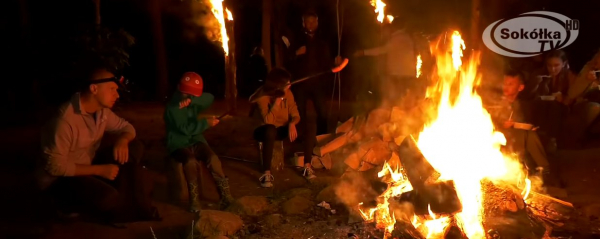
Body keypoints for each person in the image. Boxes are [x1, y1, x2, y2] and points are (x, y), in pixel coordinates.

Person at [38, 67, 160, 225]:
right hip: (61, 178)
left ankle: (124, 190)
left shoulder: (102, 112)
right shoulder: (64, 120)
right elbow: (55, 167)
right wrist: (100, 170)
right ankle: (65, 205)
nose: (117, 95)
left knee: (134, 146)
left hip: (87, 164)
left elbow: (128, 128)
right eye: (112, 89)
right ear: (94, 88)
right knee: (108, 198)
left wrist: (122, 140)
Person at [164, 72, 234, 212]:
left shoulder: (191, 101)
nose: (189, 96)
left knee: (213, 159)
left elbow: (209, 98)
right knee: (190, 162)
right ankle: (194, 200)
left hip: (196, 140)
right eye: (187, 93)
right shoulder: (172, 108)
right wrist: (206, 123)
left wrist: (192, 101)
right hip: (178, 143)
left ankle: (226, 197)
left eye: (192, 93)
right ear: (179, 89)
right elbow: (184, 129)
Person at [250, 68, 317, 187]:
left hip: (281, 128)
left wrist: (292, 123)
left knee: (309, 126)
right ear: (278, 85)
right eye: (287, 83)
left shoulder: (288, 94)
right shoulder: (263, 97)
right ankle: (266, 173)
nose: (290, 85)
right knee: (270, 130)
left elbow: (296, 114)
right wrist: (276, 103)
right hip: (263, 130)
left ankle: (307, 166)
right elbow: (268, 121)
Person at [488, 71, 551, 181]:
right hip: (498, 138)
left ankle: (544, 169)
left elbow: (531, 126)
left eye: (510, 84)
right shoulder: (494, 102)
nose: (506, 87)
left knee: (529, 134)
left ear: (520, 87)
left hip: (518, 137)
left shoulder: (524, 106)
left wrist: (514, 124)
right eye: (504, 83)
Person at [287, 10, 341, 136]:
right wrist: (295, 54)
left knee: (322, 112)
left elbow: (327, 62)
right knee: (299, 112)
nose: (311, 24)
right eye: (308, 22)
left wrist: (335, 62)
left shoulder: (322, 40)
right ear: (304, 23)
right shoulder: (297, 39)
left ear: (317, 23)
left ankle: (322, 137)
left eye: (313, 22)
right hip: (301, 82)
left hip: (318, 82)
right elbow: (287, 59)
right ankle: (299, 137)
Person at [354, 18, 417, 104]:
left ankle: (396, 115)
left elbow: (382, 50)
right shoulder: (408, 38)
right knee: (405, 98)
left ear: (394, 27)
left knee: (396, 99)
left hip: (398, 74)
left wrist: (363, 52)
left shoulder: (396, 38)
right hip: (409, 73)